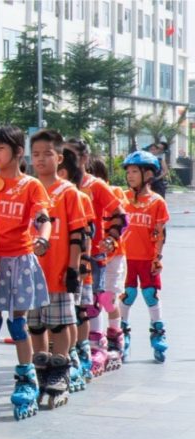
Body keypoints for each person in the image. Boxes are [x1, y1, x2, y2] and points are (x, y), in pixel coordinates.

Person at [0, 125, 51, 420]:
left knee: (18, 324)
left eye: (0, 148)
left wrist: (44, 236)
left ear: (17, 152)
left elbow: (43, 216)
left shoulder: (30, 186)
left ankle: (26, 378)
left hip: (20, 260)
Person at [28, 129, 88, 409]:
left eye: (46, 154)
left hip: (57, 269)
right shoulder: (28, 187)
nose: (40, 159)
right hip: (29, 271)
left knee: (59, 322)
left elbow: (78, 232)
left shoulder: (68, 193)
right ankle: (41, 367)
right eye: (35, 154)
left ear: (59, 157)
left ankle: (60, 369)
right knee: (36, 324)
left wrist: (73, 268)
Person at [63, 139, 126, 378]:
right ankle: (70, 347)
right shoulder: (58, 185)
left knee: (92, 301)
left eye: (70, 155)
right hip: (62, 253)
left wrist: (111, 238)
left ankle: (99, 344)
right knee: (67, 303)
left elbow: (120, 214)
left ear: (83, 159)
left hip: (91, 255)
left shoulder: (95, 185)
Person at [119, 150, 170, 363]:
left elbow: (160, 232)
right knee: (127, 295)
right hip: (125, 258)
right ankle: (122, 332)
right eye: (128, 172)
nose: (130, 176)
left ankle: (158, 332)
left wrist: (158, 257)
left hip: (147, 258)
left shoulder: (157, 202)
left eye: (134, 171)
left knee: (150, 294)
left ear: (148, 174)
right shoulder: (122, 199)